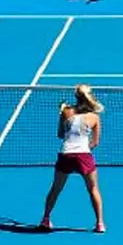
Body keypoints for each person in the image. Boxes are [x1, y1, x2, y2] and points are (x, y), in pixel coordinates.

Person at [40, 84, 106, 233]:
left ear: (76, 97)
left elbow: (60, 134)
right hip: (84, 156)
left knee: (56, 188)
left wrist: (62, 115)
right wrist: (83, 151)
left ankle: (45, 219)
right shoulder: (94, 117)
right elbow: (95, 142)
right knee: (93, 188)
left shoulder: (66, 111)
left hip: (66, 155)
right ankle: (100, 223)